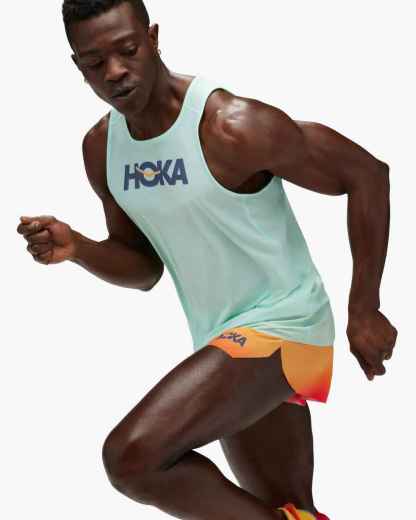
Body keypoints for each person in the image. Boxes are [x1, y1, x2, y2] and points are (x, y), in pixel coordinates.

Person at [17, 1, 398, 519]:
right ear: (77, 65)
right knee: (289, 509)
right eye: (95, 62)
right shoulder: (103, 148)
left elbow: (366, 174)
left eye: (127, 50)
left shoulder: (231, 126)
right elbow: (143, 267)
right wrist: (79, 248)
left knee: (131, 459)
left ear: (153, 37)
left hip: (286, 326)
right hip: (222, 340)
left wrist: (365, 308)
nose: (115, 72)